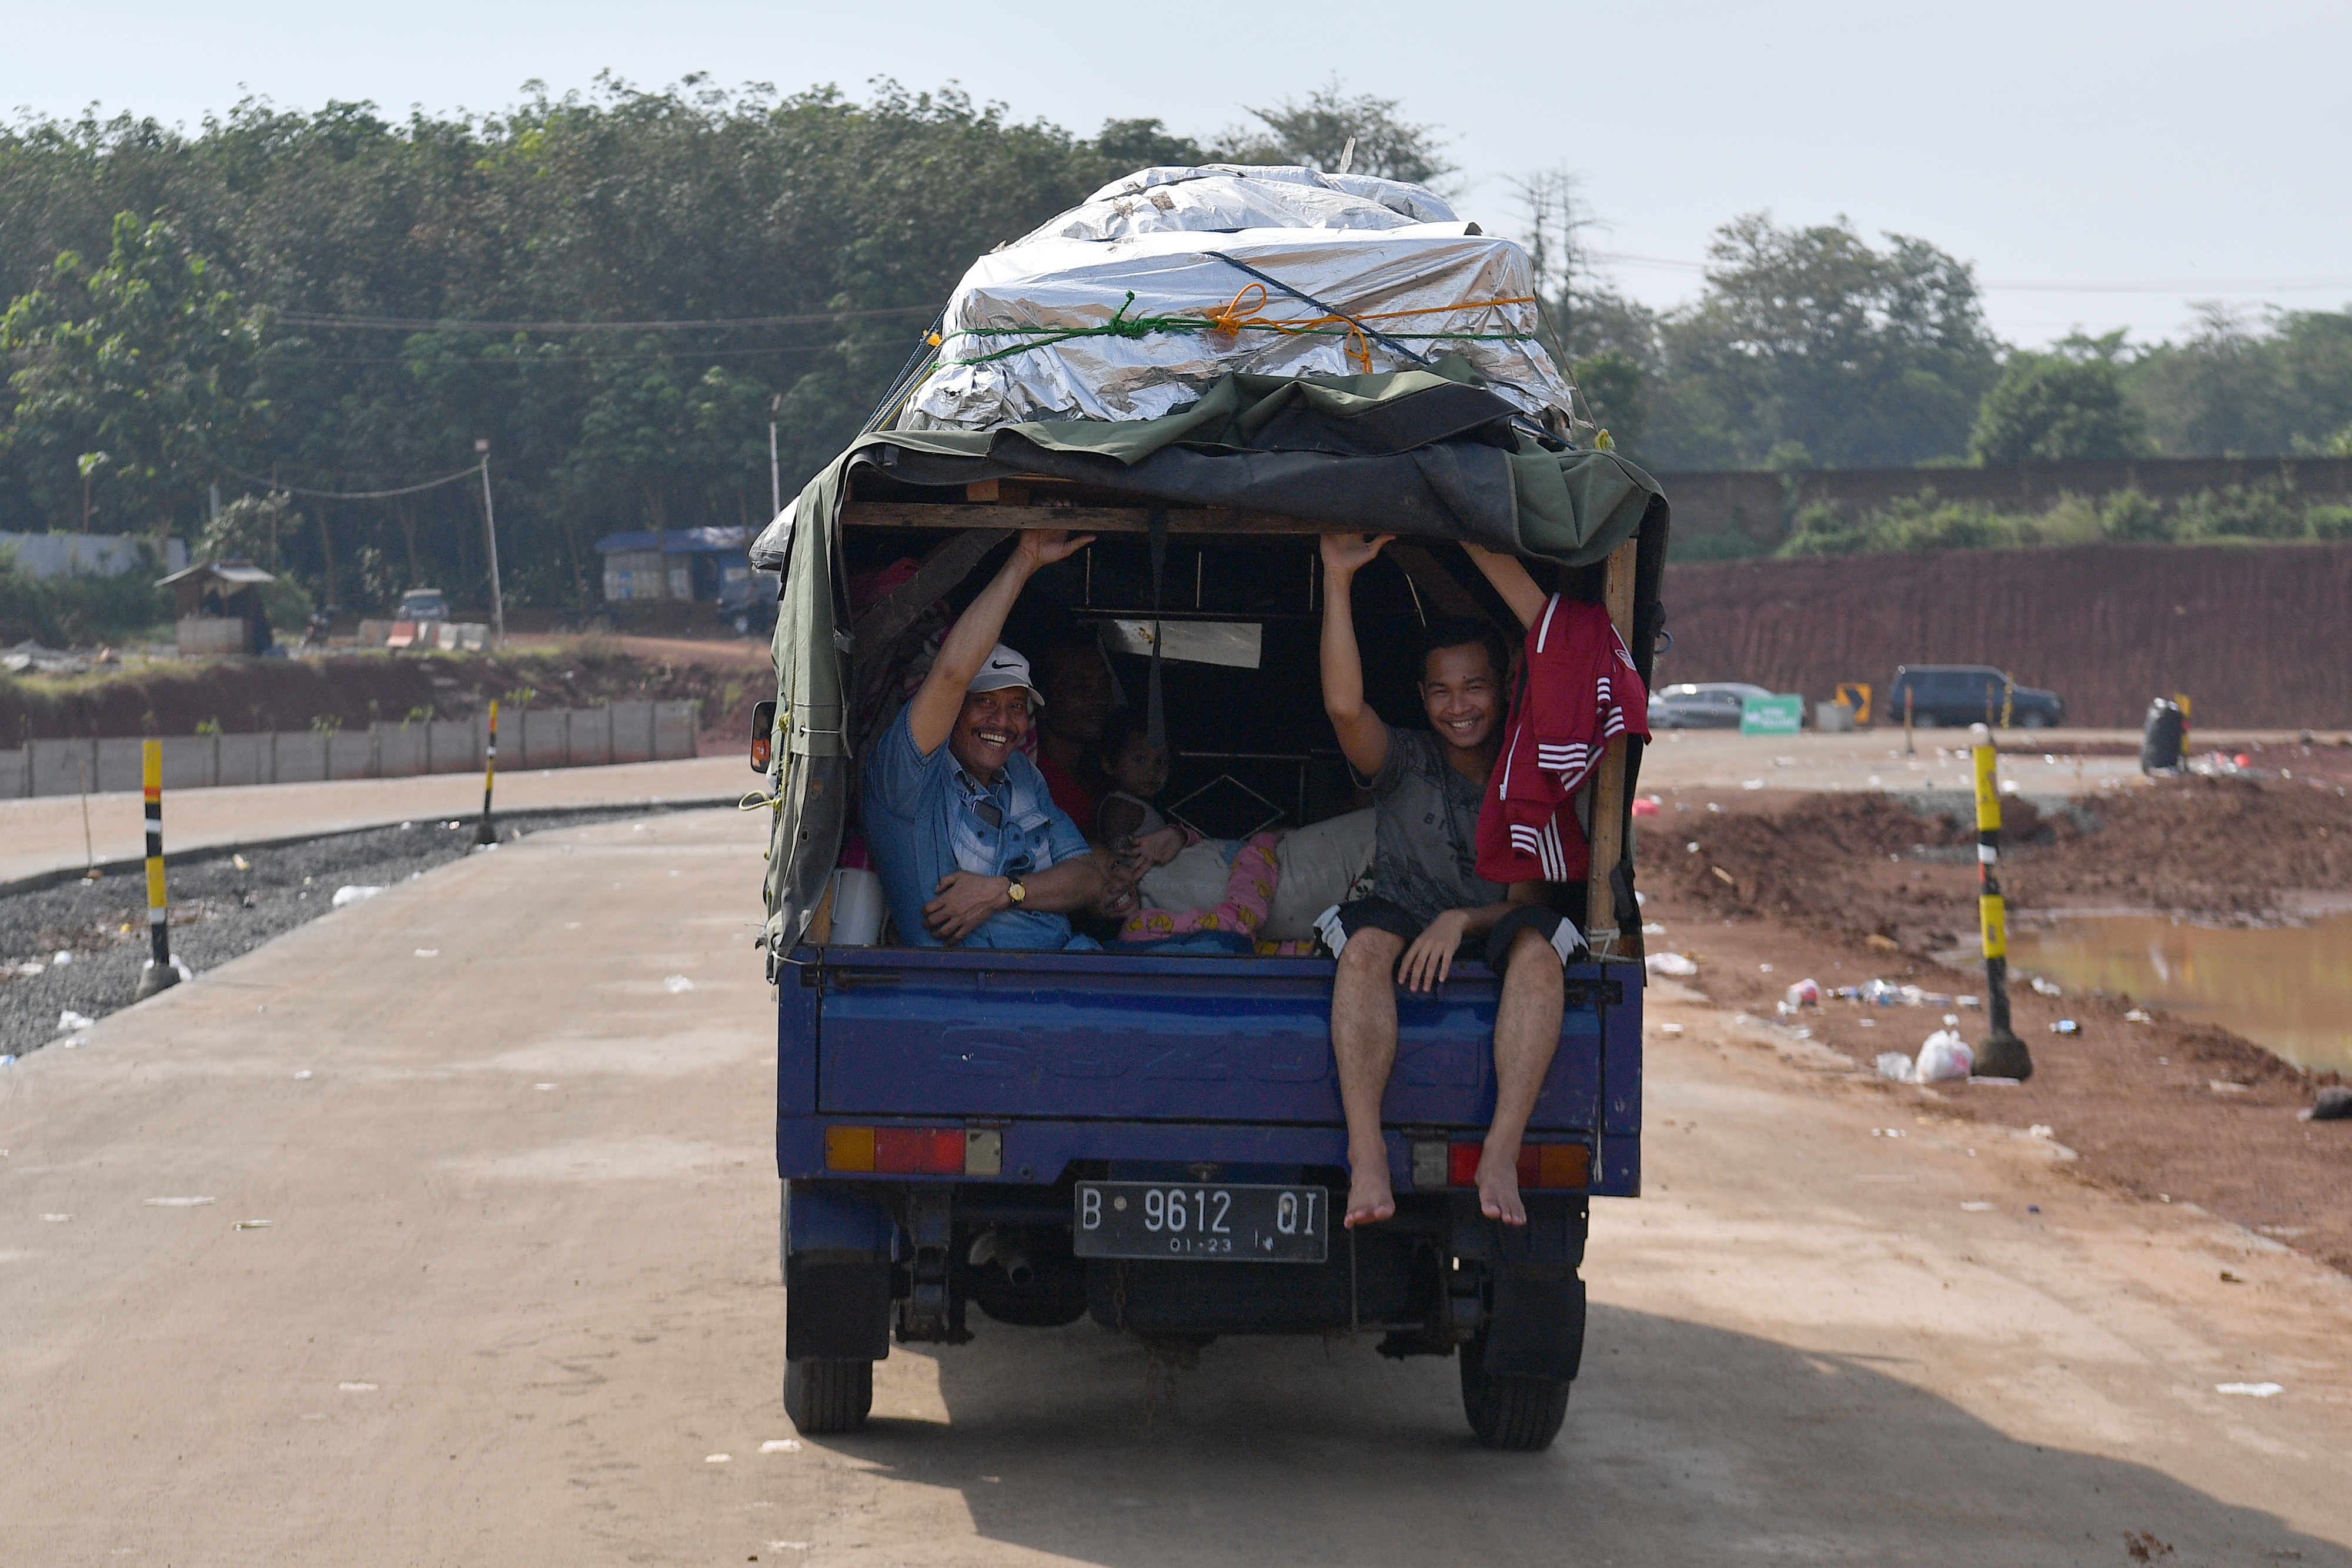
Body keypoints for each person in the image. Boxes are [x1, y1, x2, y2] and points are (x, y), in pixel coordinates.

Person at [1316, 531, 1582, 1229]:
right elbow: (1346, 709)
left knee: (1540, 952)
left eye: (1474, 688)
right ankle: (1366, 1152)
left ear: (1504, 690)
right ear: (1422, 698)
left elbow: (1530, 904)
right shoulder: (1402, 759)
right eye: (1440, 691)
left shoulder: (1530, 768)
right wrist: (1337, 579)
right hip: (1401, 916)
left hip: (1489, 927)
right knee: (1364, 947)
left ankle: (1500, 1151)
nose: (1458, 706)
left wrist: (1461, 920)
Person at [860, 529, 1109, 950]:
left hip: (1067, 975)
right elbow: (952, 674)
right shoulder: (907, 777)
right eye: (985, 702)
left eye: (1016, 706)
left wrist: (1005, 891)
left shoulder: (1022, 778)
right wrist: (1024, 559)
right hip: (971, 993)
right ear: (955, 708)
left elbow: (1088, 878)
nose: (1002, 720)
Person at [1030, 638, 1118, 833]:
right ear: (1041, 697)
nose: (1100, 700)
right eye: (1081, 688)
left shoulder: (1115, 771)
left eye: (1104, 686)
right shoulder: (1030, 785)